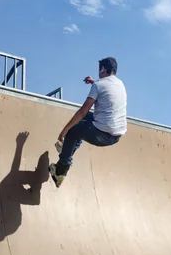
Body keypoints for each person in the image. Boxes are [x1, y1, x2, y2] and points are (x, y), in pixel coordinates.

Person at [49, 57, 127, 188]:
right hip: (116, 136)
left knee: (74, 130)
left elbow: (82, 112)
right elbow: (106, 90)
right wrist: (93, 82)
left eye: (99, 70)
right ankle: (69, 148)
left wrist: (64, 131)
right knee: (87, 120)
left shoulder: (99, 85)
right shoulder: (120, 84)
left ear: (102, 69)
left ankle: (60, 172)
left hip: (101, 134)